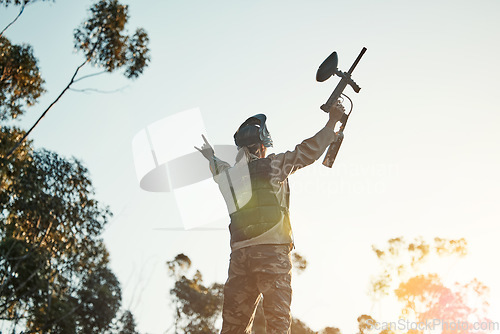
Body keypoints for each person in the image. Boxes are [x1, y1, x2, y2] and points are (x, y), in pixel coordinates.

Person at [195, 101, 345, 334]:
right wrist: (332, 123)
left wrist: (210, 156)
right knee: (277, 324)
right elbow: (308, 151)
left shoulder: (230, 177)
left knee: (232, 329)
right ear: (263, 146)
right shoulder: (275, 165)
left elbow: (217, 167)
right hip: (271, 255)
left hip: (240, 258)